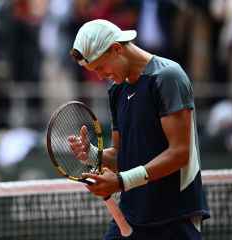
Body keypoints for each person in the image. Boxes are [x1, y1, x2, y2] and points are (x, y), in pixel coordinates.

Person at [68, 19, 210, 240]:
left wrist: (121, 181)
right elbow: (121, 155)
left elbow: (180, 153)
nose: (100, 76)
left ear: (116, 49)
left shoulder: (168, 77)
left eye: (100, 67)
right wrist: (93, 155)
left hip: (175, 218)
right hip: (132, 216)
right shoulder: (116, 90)